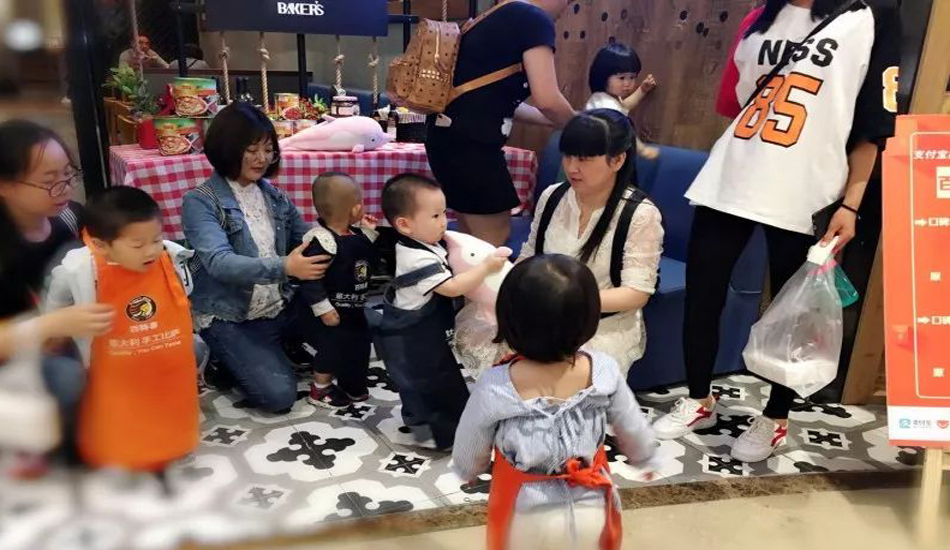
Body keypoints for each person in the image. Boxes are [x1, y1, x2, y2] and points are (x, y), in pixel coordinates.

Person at [653, 0, 900, 462]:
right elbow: (734, 102)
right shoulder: (760, 17)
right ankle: (699, 398)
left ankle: (776, 417)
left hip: (804, 186)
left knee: (793, 311)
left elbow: (873, 126)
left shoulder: (869, 14)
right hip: (732, 174)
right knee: (703, 294)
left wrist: (851, 204)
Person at [453, 254, 657, 550]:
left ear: (509, 318)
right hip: (591, 503)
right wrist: (645, 457)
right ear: (589, 319)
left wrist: (468, 469)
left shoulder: (496, 384)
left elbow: (472, 436)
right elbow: (631, 423)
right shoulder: (603, 370)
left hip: (526, 509)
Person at [181, 102, 330, 413]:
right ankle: (222, 357)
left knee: (359, 328)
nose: (262, 158)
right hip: (232, 317)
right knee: (278, 396)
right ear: (226, 149)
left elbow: (304, 239)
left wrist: (344, 232)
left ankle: (277, 346)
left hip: (281, 305)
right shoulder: (200, 202)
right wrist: (286, 266)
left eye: (268, 149)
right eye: (251, 150)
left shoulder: (273, 195)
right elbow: (220, 263)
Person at [44, 187, 198, 470]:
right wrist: (55, 330)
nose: (152, 250)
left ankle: (173, 440)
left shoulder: (170, 257)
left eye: (156, 239)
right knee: (121, 409)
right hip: (113, 363)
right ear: (101, 245)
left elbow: (182, 295)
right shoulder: (79, 268)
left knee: (169, 401)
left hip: (166, 358)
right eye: (137, 245)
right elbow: (56, 303)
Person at [518, 109, 664, 374]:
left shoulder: (640, 214)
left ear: (617, 160)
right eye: (568, 156)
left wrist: (564, 300)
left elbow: (636, 293)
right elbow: (530, 256)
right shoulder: (552, 196)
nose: (571, 168)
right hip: (543, 317)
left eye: (584, 159)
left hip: (600, 327)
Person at [425, 0, 576, 248]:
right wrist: (579, 124)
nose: (566, 7)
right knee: (492, 246)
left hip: (444, 140)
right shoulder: (534, 19)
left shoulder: (489, 17)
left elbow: (494, 103)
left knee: (468, 244)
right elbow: (547, 99)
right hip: (474, 147)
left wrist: (556, 121)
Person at [377, 173, 506, 450]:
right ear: (404, 224)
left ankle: (440, 425)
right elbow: (452, 288)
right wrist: (486, 268)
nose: (444, 221)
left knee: (443, 383)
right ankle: (434, 436)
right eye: (435, 216)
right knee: (427, 388)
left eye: (444, 213)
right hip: (412, 339)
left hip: (429, 335)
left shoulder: (426, 244)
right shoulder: (416, 257)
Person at [0, 120, 95, 477]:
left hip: (66, 335)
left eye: (68, 175)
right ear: (5, 185)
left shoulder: (70, 217)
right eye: (49, 180)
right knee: (68, 376)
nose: (64, 189)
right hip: (16, 357)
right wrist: (47, 326)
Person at [298, 172, 379, 409]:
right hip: (330, 310)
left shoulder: (354, 234)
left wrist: (370, 233)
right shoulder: (321, 241)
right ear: (354, 209)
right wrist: (322, 307)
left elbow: (361, 254)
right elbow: (310, 279)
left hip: (354, 308)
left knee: (359, 344)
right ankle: (320, 388)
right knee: (331, 347)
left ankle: (353, 383)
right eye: (360, 201)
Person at [585, 43, 660, 159]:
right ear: (603, 76)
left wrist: (642, 90)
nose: (627, 83)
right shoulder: (606, 105)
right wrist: (643, 150)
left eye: (632, 77)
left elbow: (624, 106)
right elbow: (625, 130)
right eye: (621, 78)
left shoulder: (604, 98)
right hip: (595, 157)